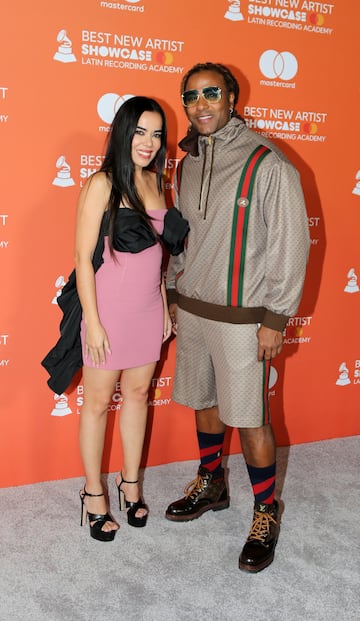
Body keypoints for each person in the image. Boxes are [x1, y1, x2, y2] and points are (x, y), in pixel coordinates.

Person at [165, 63, 310, 571]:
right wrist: (171, 291)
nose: (201, 104)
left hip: (244, 317)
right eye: (191, 96)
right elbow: (180, 238)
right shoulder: (184, 165)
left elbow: (291, 244)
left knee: (250, 418)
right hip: (195, 308)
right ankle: (212, 483)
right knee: (203, 402)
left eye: (211, 93)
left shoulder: (267, 162)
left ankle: (266, 510)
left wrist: (276, 318)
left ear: (231, 96)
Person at [74, 96, 188, 541]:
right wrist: (94, 321)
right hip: (107, 312)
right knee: (99, 403)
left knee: (138, 395)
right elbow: (83, 259)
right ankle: (92, 493)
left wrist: (161, 301)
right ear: (123, 132)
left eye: (157, 133)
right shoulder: (102, 183)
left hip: (145, 310)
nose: (148, 141)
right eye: (140, 131)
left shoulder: (157, 182)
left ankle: (131, 483)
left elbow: (157, 253)